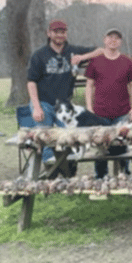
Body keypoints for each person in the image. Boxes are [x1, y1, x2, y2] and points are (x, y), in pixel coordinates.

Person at [26, 19, 103, 166]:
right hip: (44, 104)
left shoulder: (73, 51)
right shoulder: (39, 55)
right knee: (45, 140)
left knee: (70, 138)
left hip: (64, 106)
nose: (59, 35)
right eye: (56, 32)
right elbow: (31, 82)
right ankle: (51, 173)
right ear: (49, 33)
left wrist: (82, 58)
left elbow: (100, 51)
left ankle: (67, 170)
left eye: (63, 32)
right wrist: (36, 107)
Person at [84, 28, 132, 179]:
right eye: (110, 37)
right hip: (100, 113)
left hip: (122, 112)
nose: (113, 40)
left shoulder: (127, 62)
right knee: (101, 146)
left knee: (121, 145)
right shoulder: (95, 62)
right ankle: (101, 176)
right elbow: (89, 86)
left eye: (117, 38)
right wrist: (89, 108)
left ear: (120, 42)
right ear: (104, 40)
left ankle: (124, 174)